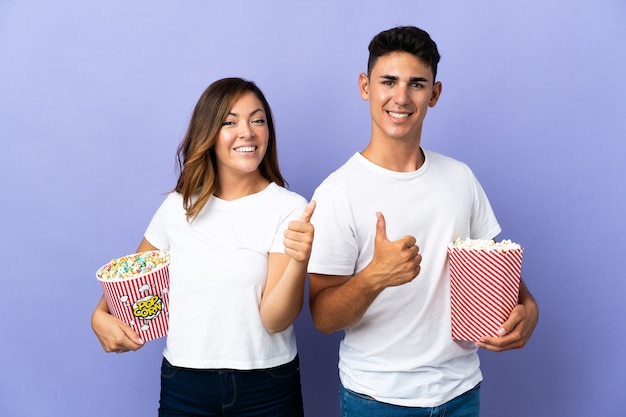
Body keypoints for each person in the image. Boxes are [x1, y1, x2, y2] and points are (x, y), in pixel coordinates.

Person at [307, 26, 539, 416]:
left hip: (461, 392)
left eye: (416, 84)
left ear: (434, 94)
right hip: (377, 399)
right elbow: (323, 318)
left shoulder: (460, 177)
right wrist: (375, 276)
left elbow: (498, 270)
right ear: (365, 86)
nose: (401, 97)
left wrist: (529, 308)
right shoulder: (337, 192)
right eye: (388, 82)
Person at [91, 77, 315, 417]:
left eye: (258, 120)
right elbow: (131, 281)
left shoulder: (289, 208)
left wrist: (299, 261)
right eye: (230, 122)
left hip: (267, 386)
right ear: (208, 133)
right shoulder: (178, 207)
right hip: (185, 384)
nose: (248, 132)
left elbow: (274, 320)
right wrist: (99, 316)